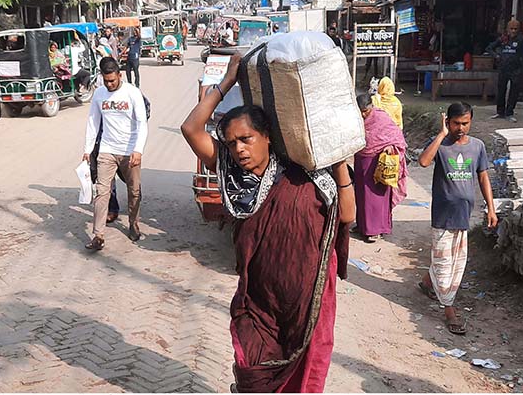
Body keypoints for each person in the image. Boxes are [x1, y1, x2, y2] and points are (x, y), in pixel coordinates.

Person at [181, 54, 355, 392]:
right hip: (259, 300)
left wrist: (339, 166)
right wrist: (229, 78)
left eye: (246, 139)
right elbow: (191, 129)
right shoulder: (232, 175)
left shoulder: (303, 173)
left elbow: (347, 216)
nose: (239, 149)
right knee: (253, 371)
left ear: (268, 137)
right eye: (231, 143)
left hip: (307, 300)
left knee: (304, 375)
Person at [417, 102, 497, 335]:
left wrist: (491, 208)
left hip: (463, 215)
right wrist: (441, 135)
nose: (461, 128)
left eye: (465, 123)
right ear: (447, 122)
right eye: (456, 123)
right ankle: (449, 309)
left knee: (456, 261)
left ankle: (426, 283)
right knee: (445, 263)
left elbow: (483, 178)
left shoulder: (477, 147)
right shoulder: (441, 144)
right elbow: (422, 162)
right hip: (442, 215)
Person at [83, 57, 148, 250]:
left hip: (130, 151)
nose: (109, 84)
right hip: (107, 150)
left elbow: (141, 123)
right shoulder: (99, 94)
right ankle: (98, 235)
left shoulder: (132, 93)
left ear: (120, 75)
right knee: (101, 192)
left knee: (134, 191)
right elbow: (93, 122)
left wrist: (138, 149)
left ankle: (133, 223)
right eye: (106, 80)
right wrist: (87, 149)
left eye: (112, 80)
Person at [353, 94, 408, 242]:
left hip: (378, 161)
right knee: (361, 194)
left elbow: (396, 136)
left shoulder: (381, 118)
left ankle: (376, 229)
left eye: (366, 111)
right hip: (361, 159)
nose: (364, 115)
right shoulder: (355, 119)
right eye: (361, 111)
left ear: (372, 106)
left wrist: (390, 146)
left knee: (376, 197)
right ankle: (362, 225)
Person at [486, 19, 523, 122]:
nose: (513, 31)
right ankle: (500, 112)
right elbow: (489, 48)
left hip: (516, 69)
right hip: (503, 68)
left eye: (516, 29)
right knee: (501, 90)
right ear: (508, 29)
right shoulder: (503, 39)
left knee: (514, 92)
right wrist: (496, 56)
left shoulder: (521, 40)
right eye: (511, 29)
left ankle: (509, 113)